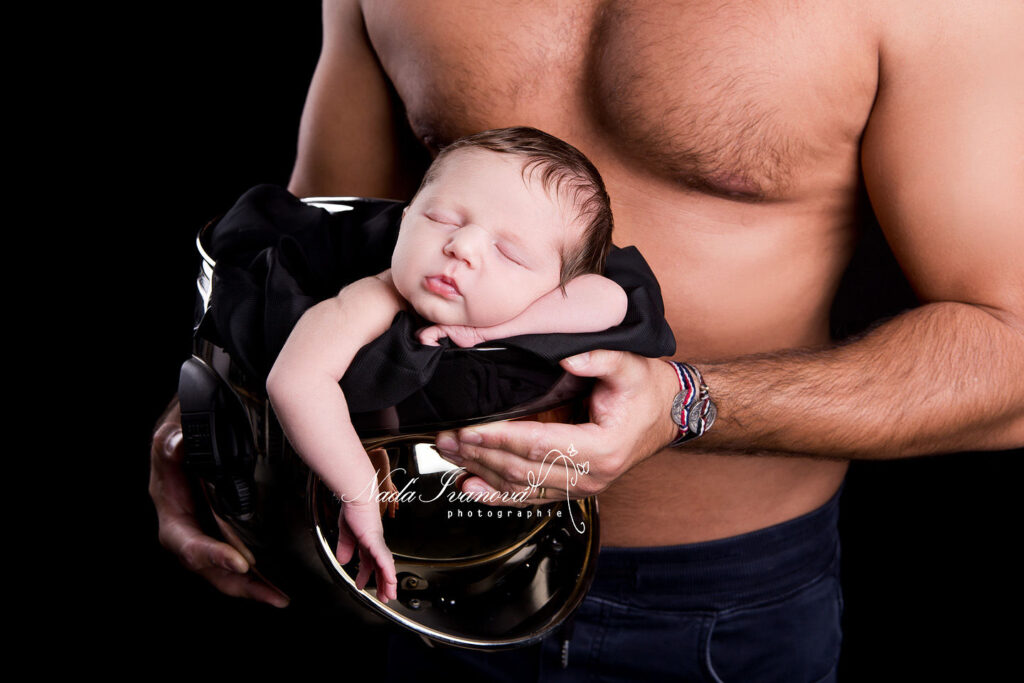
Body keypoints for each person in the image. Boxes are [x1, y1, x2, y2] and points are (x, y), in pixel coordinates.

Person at [150, 1, 1023, 680]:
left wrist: (686, 401)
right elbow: (313, 251)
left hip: (712, 605)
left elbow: (1012, 345)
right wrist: (217, 409)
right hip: (408, 564)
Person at [264, 126, 627, 605]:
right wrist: (357, 492)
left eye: (508, 252)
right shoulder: (371, 297)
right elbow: (295, 379)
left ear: (556, 285)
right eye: (440, 218)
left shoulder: (540, 300)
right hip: (390, 486)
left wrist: (486, 332)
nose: (462, 246)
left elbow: (611, 300)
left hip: (522, 527)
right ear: (406, 215)